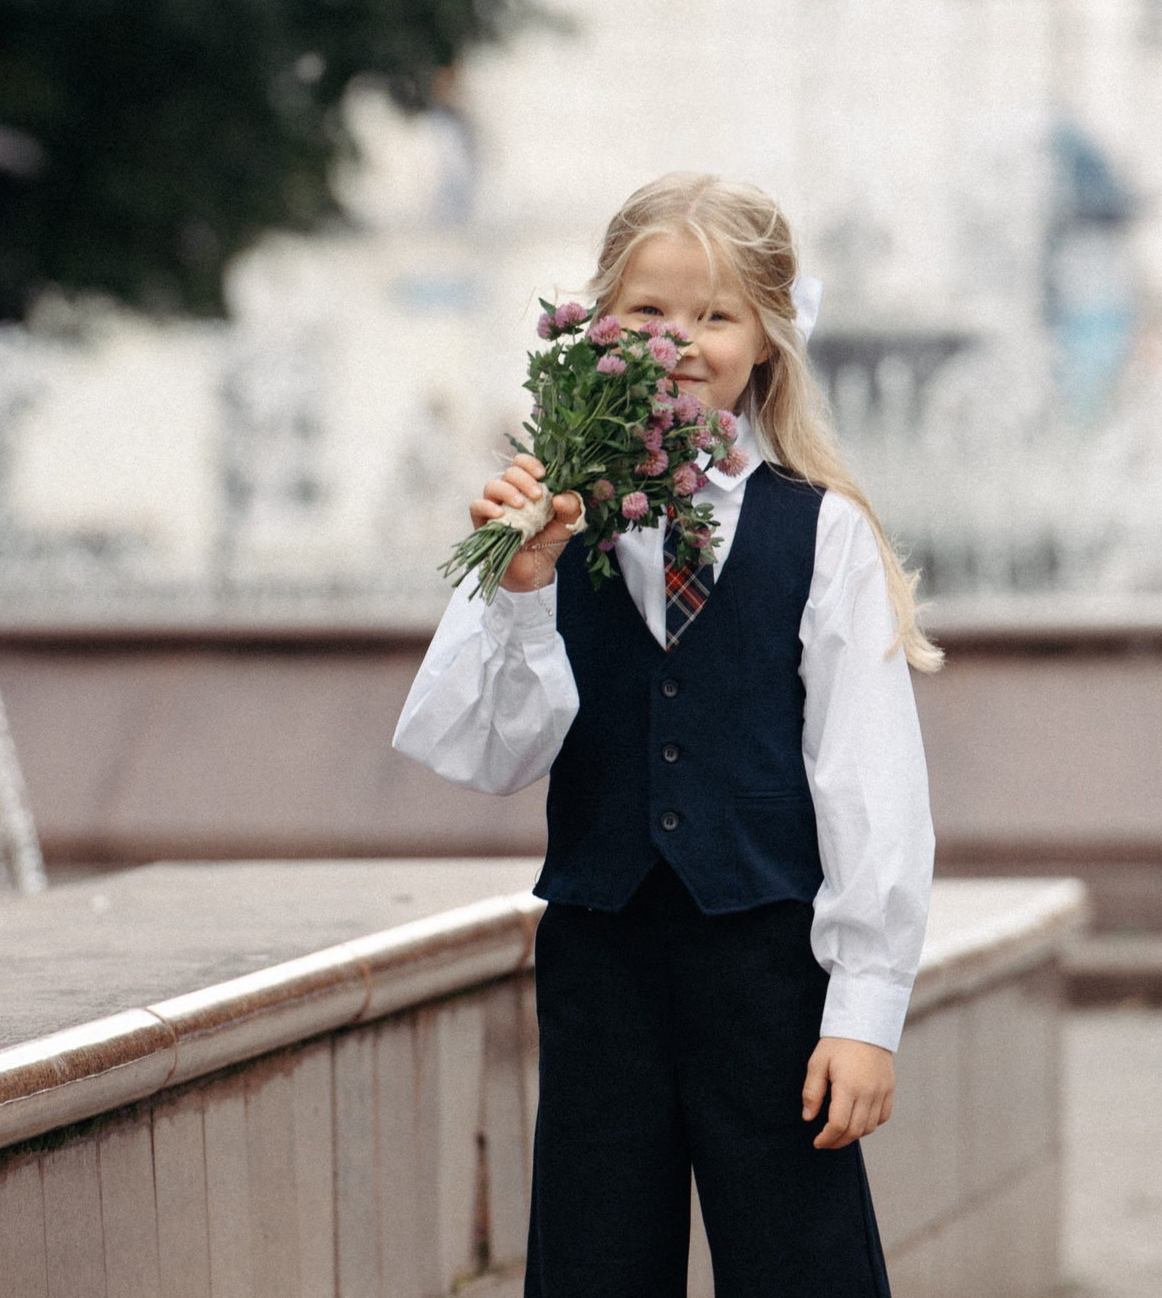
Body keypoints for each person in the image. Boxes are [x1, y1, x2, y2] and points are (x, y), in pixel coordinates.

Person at [394, 173, 940, 1296]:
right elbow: (484, 751)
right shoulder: (545, 512)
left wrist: (867, 1011)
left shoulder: (819, 531)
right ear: (597, 328)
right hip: (602, 970)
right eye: (648, 311)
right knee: (594, 1266)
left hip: (770, 973)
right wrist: (523, 588)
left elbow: (870, 784)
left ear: (766, 342)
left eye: (714, 313)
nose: (678, 339)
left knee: (804, 1267)